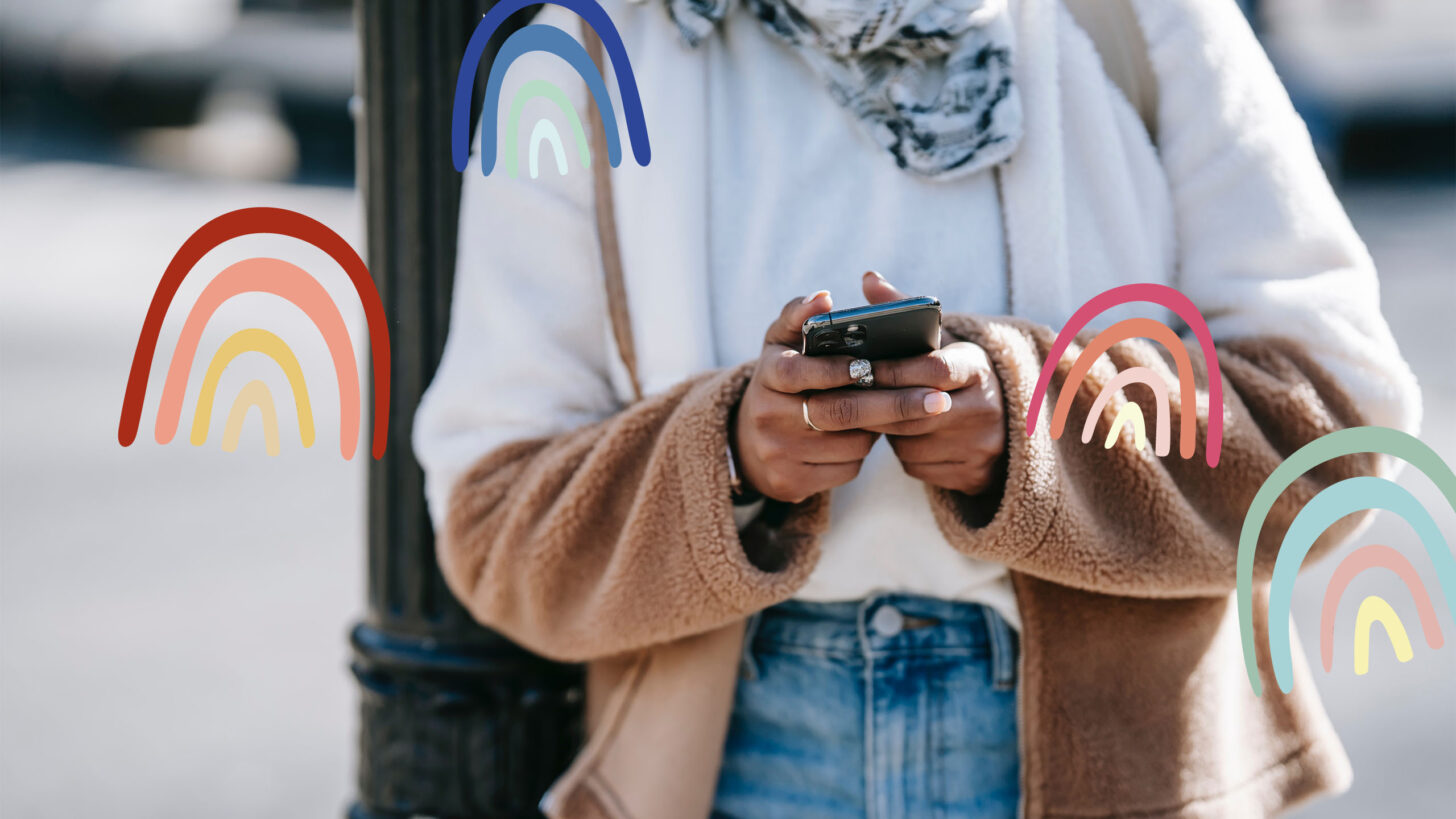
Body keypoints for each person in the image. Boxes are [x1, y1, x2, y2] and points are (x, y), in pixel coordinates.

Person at [413, 0, 1421, 816]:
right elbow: (497, 523)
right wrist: (730, 459)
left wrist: (1034, 432)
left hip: (1115, 764)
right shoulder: (576, 62)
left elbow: (1334, 439)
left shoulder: (1144, 20)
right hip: (736, 764)